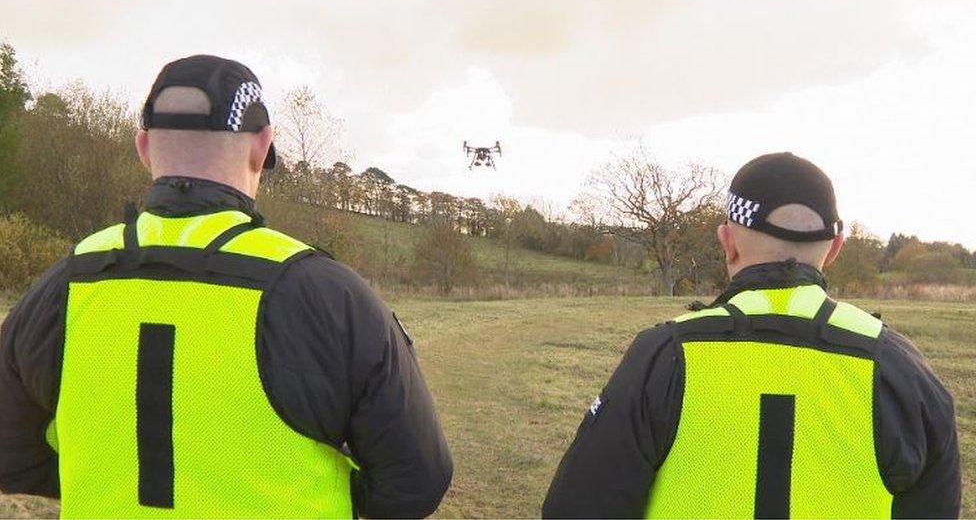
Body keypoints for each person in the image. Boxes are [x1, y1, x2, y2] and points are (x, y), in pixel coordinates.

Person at [0, 55, 452, 518]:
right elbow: (417, 480)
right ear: (262, 147)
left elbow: (9, 453)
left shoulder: (66, 282)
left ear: (143, 147)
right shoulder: (326, 292)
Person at [543, 152, 960, 518]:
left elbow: (577, 508)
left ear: (729, 243)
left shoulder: (662, 356)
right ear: (834, 249)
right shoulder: (903, 372)